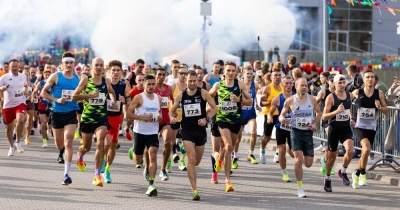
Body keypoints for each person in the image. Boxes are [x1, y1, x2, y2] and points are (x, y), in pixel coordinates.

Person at [170, 70, 217, 200]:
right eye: (189, 81)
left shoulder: (203, 93)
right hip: (186, 130)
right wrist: (173, 118)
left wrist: (206, 119)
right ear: (186, 81)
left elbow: (215, 108)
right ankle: (194, 190)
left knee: (196, 162)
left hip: (200, 130)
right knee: (191, 159)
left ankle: (186, 150)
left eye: (194, 81)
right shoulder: (181, 95)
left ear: (197, 81)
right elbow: (172, 111)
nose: (191, 83)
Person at [72, 57, 117, 187]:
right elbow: (74, 96)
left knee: (100, 143)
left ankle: (97, 175)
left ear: (104, 67)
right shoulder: (86, 80)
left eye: (101, 65)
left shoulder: (107, 81)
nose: (98, 67)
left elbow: (112, 92)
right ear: (92, 67)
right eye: (96, 65)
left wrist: (113, 101)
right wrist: (89, 96)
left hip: (101, 118)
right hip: (87, 119)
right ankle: (80, 155)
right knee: (86, 147)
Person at [209, 61, 251, 192]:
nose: (231, 73)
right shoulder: (217, 85)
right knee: (228, 146)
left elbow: (249, 100)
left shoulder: (240, 84)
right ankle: (227, 181)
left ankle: (220, 158)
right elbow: (208, 97)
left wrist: (239, 100)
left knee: (229, 149)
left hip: (236, 120)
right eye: (228, 70)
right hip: (222, 119)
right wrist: (210, 109)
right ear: (224, 72)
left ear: (236, 72)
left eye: (233, 71)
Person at [41, 52, 80, 185]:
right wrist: (56, 99)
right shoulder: (55, 76)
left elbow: (82, 94)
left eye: (71, 62)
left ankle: (66, 174)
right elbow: (43, 93)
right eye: (66, 63)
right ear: (62, 64)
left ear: (74, 64)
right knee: (59, 145)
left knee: (69, 141)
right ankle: (61, 152)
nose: (69, 65)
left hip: (71, 113)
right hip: (57, 113)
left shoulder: (77, 78)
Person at [279, 77, 322, 198]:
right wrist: (284, 120)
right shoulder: (289, 101)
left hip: (308, 133)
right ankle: (300, 188)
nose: (304, 87)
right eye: (302, 85)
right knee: (298, 161)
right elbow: (281, 116)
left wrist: (314, 124)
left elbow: (319, 113)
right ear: (296, 86)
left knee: (308, 164)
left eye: (306, 85)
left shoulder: (312, 99)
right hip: (295, 132)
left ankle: (295, 152)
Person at [351, 69, 388, 189]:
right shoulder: (358, 92)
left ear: (374, 79)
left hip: (372, 127)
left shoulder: (379, 93)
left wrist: (379, 107)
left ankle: (360, 173)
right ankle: (359, 174)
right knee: (366, 149)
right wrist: (351, 117)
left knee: (365, 153)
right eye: (367, 77)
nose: (370, 79)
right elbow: (347, 103)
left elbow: (386, 110)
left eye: (372, 77)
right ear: (364, 79)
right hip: (359, 126)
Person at [127, 74, 162, 197]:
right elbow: (128, 114)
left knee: (153, 154)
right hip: (139, 131)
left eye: (153, 84)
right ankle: (134, 151)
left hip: (153, 132)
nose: (151, 87)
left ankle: (151, 184)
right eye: (149, 84)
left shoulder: (158, 98)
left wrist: (159, 117)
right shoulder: (138, 97)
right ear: (144, 85)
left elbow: (159, 112)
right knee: (138, 160)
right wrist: (142, 117)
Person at [320, 74, 355, 192]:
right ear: (334, 84)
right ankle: (328, 177)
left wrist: (351, 118)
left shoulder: (349, 95)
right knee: (332, 158)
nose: (342, 85)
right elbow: (324, 116)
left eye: (344, 82)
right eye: (339, 83)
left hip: (345, 128)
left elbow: (349, 107)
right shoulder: (331, 97)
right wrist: (336, 111)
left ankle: (343, 171)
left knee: (350, 150)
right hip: (334, 129)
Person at [101, 60, 131, 183]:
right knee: (106, 143)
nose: (116, 73)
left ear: (121, 73)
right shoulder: (103, 83)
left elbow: (129, 101)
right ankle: (102, 160)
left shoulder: (123, 86)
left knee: (113, 145)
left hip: (116, 118)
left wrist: (125, 101)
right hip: (104, 116)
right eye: (113, 70)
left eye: (118, 70)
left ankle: (107, 170)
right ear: (109, 71)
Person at [267, 75, 295, 182]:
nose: (288, 85)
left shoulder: (297, 97)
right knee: (282, 150)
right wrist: (269, 118)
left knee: (294, 154)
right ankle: (284, 173)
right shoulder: (277, 99)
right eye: (286, 83)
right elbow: (270, 113)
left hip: (293, 129)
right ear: (282, 84)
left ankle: (290, 149)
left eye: (290, 83)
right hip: (281, 128)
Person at [0, 59, 28, 156]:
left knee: (21, 120)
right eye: (13, 67)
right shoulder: (4, 78)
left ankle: (18, 141)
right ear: (10, 67)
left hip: (20, 103)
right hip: (8, 105)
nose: (15, 68)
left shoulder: (23, 76)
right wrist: (2, 88)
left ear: (18, 66)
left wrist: (25, 90)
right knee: (9, 128)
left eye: (16, 66)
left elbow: (25, 85)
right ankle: (12, 146)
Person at [234, 65, 259, 168]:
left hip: (250, 114)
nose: (249, 75)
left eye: (251, 73)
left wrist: (257, 104)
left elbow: (255, 96)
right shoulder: (239, 84)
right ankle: (235, 156)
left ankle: (251, 154)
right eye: (247, 73)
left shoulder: (255, 85)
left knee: (254, 132)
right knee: (237, 138)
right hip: (239, 114)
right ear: (243, 73)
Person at [153, 67, 174, 180]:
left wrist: (172, 112)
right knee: (151, 147)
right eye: (159, 74)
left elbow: (172, 101)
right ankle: (147, 166)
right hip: (153, 121)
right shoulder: (151, 88)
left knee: (167, 142)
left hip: (165, 120)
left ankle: (163, 169)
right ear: (155, 75)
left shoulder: (168, 88)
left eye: (163, 75)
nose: (161, 77)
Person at [260, 68, 283, 164]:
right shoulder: (267, 88)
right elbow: (261, 103)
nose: (278, 77)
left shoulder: (283, 87)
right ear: (271, 77)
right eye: (275, 75)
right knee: (267, 137)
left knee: (280, 137)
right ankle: (262, 149)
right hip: (269, 115)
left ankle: (277, 154)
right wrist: (271, 102)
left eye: (279, 75)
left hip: (280, 115)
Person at [169, 65, 188, 171]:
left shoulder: (190, 87)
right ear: (177, 74)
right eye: (181, 73)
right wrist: (171, 113)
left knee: (186, 141)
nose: (183, 75)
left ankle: (182, 161)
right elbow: (168, 101)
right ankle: (170, 159)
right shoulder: (173, 86)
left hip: (186, 117)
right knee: (171, 141)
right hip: (175, 117)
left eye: (185, 73)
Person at [32, 68, 52, 148]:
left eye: (48, 74)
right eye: (45, 74)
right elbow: (34, 91)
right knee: (43, 124)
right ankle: (44, 141)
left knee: (50, 124)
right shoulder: (41, 83)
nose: (47, 75)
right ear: (43, 75)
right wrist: (34, 95)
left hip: (52, 105)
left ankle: (49, 130)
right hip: (42, 105)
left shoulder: (54, 83)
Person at [125, 73, 145, 141]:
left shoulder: (147, 90)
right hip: (134, 111)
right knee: (131, 121)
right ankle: (127, 128)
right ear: (136, 81)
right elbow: (126, 103)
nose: (141, 82)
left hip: (145, 111)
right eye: (139, 80)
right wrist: (126, 114)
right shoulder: (133, 91)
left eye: (143, 80)